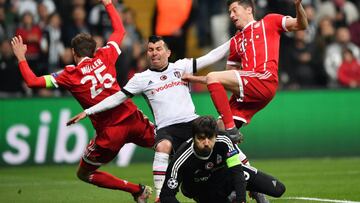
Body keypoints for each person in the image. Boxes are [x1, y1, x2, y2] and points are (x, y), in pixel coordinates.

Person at [66, 35, 245, 202]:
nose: (154, 52)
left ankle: (252, 182)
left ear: (168, 52)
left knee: (223, 137)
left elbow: (212, 56)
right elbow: (116, 98)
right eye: (150, 49)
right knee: (163, 146)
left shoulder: (181, 66)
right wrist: (89, 111)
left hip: (192, 122)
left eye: (158, 48)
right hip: (167, 129)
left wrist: (236, 39)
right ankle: (160, 197)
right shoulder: (141, 79)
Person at [11, 0, 154, 202]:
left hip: (109, 134)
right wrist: (108, 4)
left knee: (84, 173)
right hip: (132, 117)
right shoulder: (105, 55)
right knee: (166, 146)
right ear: (93, 50)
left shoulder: (70, 74)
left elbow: (32, 81)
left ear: (74, 54)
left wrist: (21, 58)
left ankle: (137, 190)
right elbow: (120, 30)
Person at [182, 0, 308, 134]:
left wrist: (297, 5)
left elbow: (301, 24)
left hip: (264, 79)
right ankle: (234, 145)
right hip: (249, 87)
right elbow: (226, 79)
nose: (231, 15)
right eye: (229, 12)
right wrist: (194, 79)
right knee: (219, 130)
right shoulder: (236, 41)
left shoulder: (269, 22)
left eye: (234, 10)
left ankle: (231, 130)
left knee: (214, 79)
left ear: (248, 10)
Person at [160, 116, 286, 203]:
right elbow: (166, 195)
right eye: (201, 138)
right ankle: (229, 196)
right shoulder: (181, 159)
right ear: (193, 137)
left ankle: (253, 192)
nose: (206, 143)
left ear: (216, 136)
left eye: (210, 138)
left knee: (278, 189)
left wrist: (241, 200)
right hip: (202, 187)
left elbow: (237, 171)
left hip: (226, 174)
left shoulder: (224, 140)